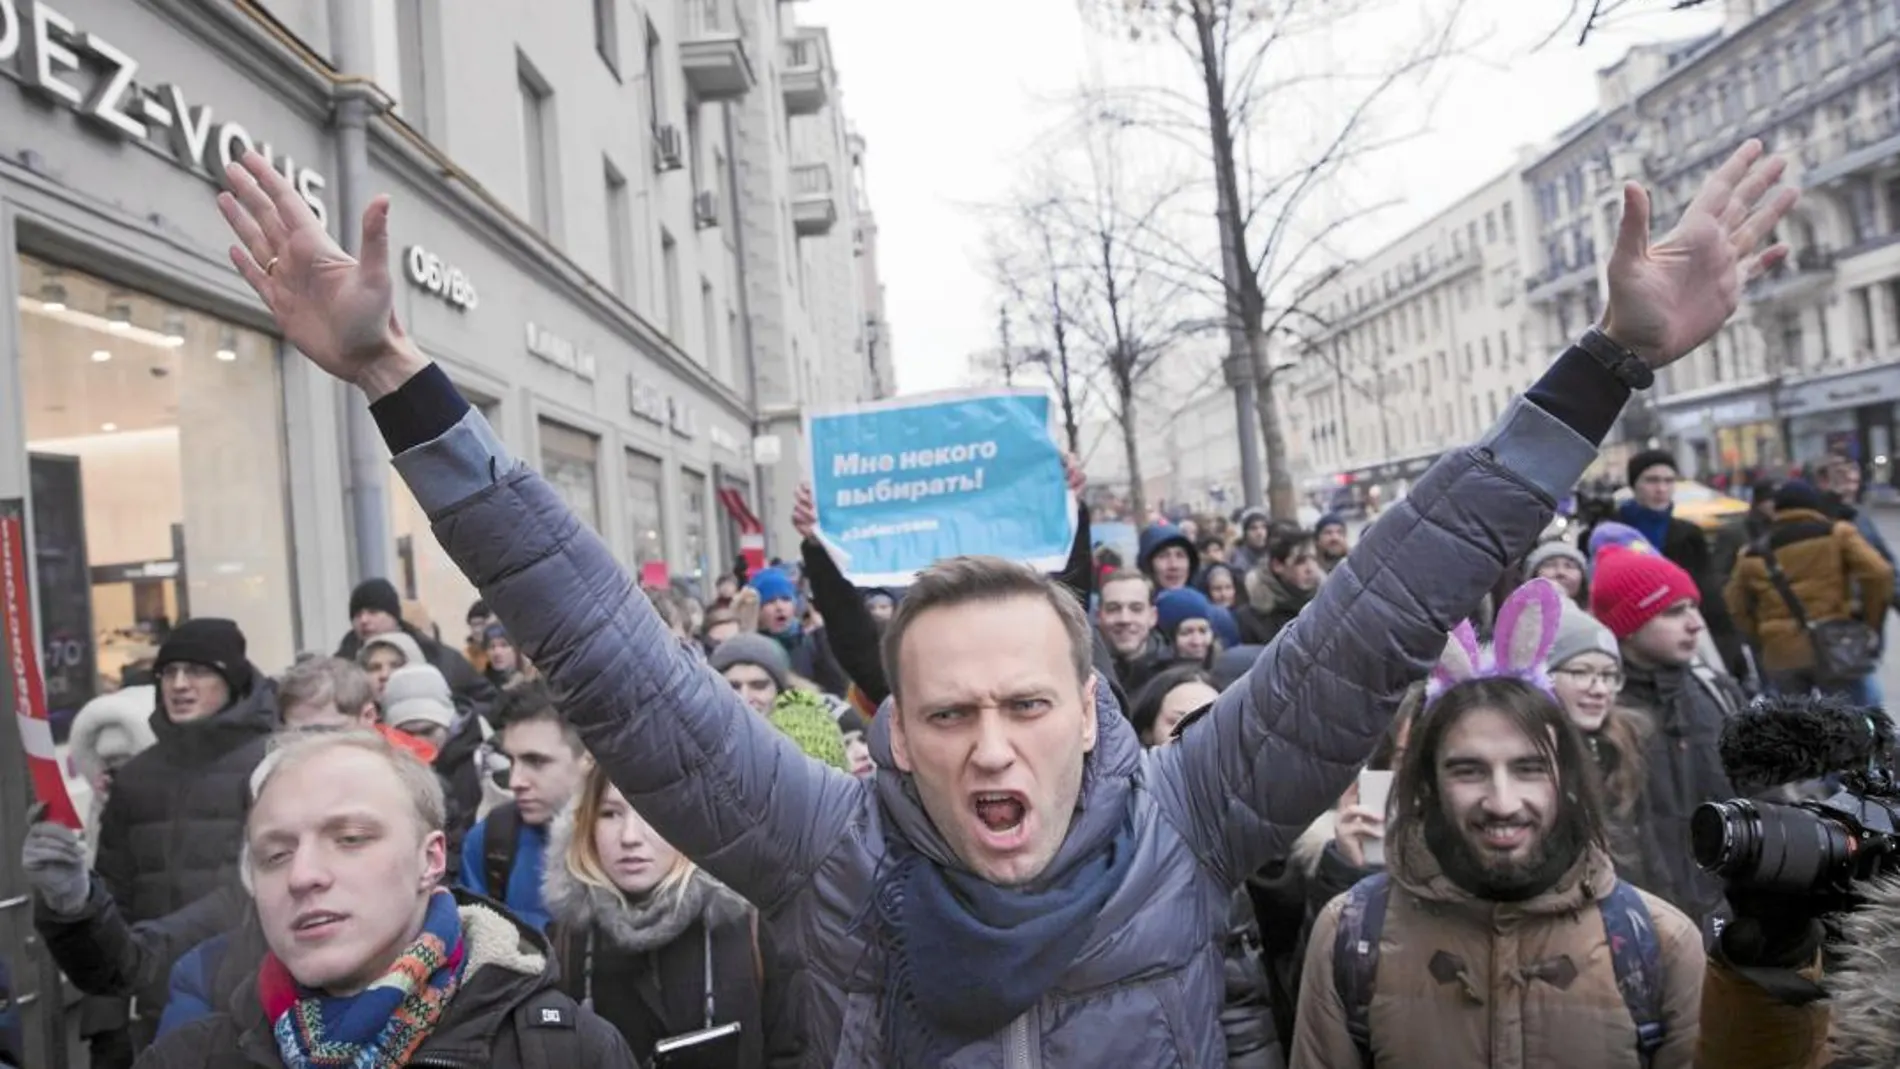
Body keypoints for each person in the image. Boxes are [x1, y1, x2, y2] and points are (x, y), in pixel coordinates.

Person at [214, 136, 1794, 1065]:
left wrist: (1605, 366)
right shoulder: (820, 850)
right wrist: (401, 380)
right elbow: (608, 657)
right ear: (888, 733)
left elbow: (1390, 599)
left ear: (1089, 710)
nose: (992, 747)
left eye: (1027, 704)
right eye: (951, 709)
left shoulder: (1190, 814)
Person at [1289, 586, 1705, 1069]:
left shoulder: (1658, 943)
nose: (1502, 803)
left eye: (1529, 769)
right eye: (1468, 771)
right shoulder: (1350, 936)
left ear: (1567, 779)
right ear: (1427, 783)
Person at [133, 730, 635, 1068]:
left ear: (431, 860)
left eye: (350, 838)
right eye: (275, 854)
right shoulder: (189, 1057)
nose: (302, 875)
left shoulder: (566, 1052)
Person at [544, 765, 804, 1065]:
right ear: (586, 824)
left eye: (652, 812)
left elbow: (794, 1053)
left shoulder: (752, 929)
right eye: (610, 814)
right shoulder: (565, 943)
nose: (630, 837)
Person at [1725, 477, 1891, 704]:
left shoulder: (1751, 553)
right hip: (1836, 647)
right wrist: (1869, 622)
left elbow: (1735, 605)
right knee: (1857, 721)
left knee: (1799, 730)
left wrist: (1763, 636)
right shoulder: (1837, 534)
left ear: (1777, 510)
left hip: (1782, 654)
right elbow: (1879, 573)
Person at [458, 681, 594, 932]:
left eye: (536, 761)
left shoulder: (631, 841)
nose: (515, 781)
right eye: (512, 760)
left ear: (587, 759)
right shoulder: (489, 842)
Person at [1617, 449, 1748, 676]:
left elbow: (1706, 594)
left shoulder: (1687, 534)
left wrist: (1729, 648)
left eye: (1669, 481)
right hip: (1626, 642)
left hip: (1679, 638)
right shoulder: (1612, 532)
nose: (1661, 489)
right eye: (1652, 480)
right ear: (1634, 484)